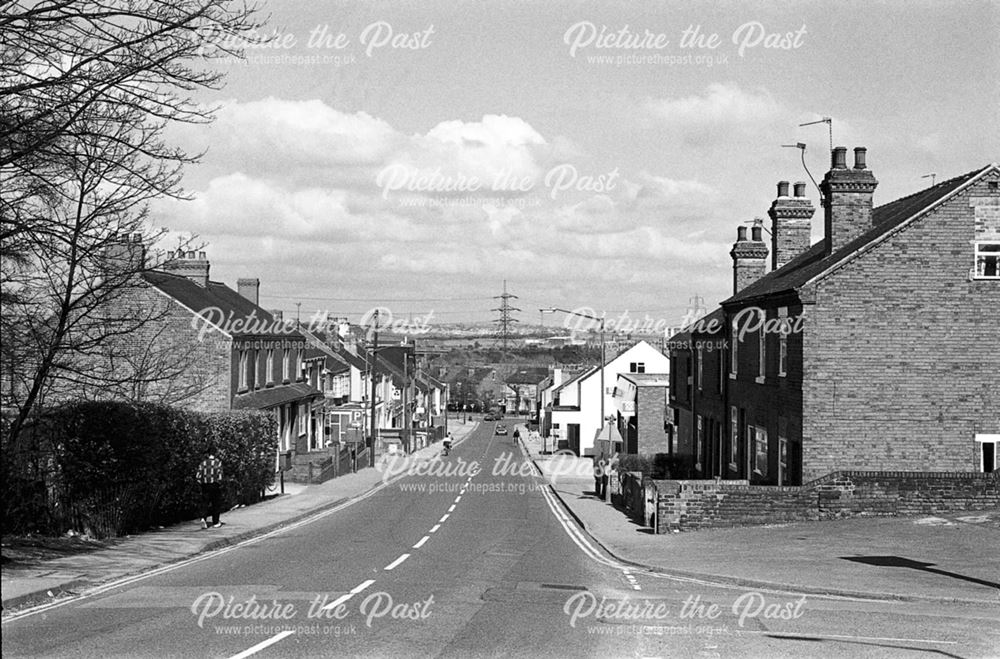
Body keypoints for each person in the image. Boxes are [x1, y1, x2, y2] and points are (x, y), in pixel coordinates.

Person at [196, 448, 224, 529]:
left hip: (205, 485)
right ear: (215, 454)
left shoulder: (203, 463)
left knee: (205, 503)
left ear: (208, 454)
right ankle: (215, 522)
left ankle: (203, 518)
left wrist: (201, 483)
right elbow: (220, 476)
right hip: (214, 485)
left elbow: (198, 476)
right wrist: (219, 483)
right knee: (215, 503)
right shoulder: (218, 463)